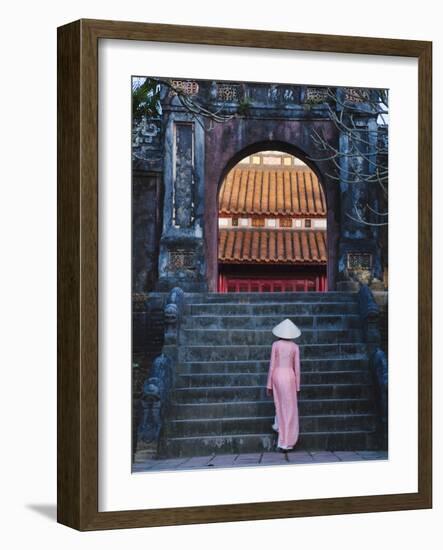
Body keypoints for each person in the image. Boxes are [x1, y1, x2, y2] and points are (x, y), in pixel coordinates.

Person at [266, 318, 301, 452]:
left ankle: (280, 431)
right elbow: (297, 368)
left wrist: (269, 384)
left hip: (277, 375)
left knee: (279, 405)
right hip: (290, 376)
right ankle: (287, 442)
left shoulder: (275, 345)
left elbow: (271, 365)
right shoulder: (295, 347)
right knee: (290, 409)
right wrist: (298, 386)